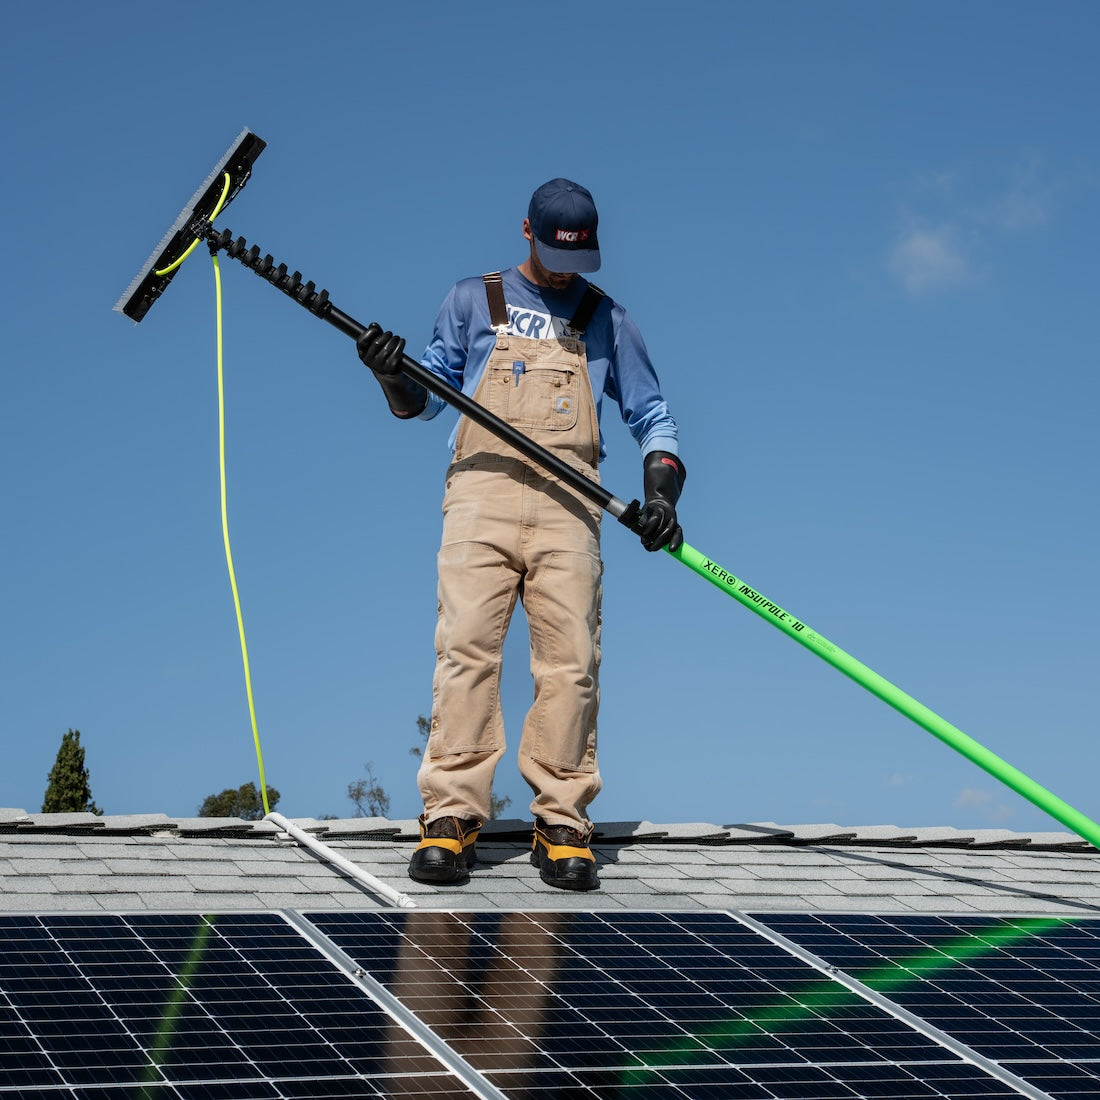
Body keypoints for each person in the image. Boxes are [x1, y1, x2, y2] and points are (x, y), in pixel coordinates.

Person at [357, 178, 685, 891]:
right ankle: (450, 816)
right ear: (527, 232)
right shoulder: (472, 300)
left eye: (580, 261)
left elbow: (652, 415)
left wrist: (662, 494)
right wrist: (390, 375)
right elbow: (423, 401)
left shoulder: (607, 318)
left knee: (572, 663)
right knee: (466, 651)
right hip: (481, 493)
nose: (568, 274)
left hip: (573, 503)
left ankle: (562, 821)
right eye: (557, 257)